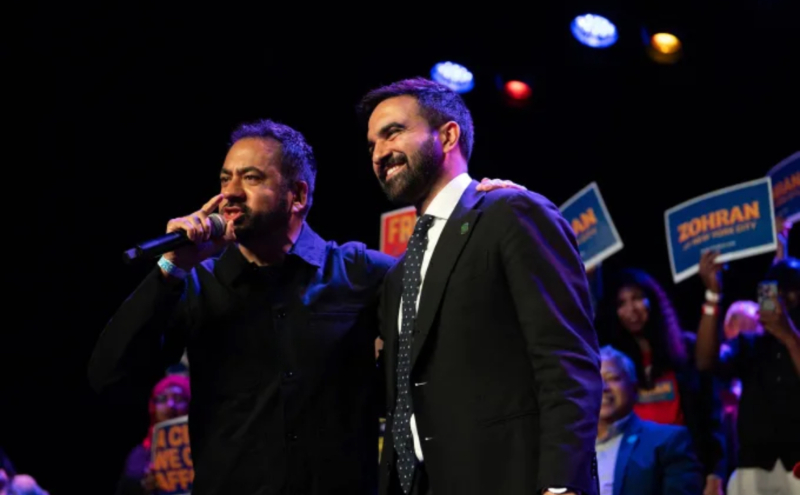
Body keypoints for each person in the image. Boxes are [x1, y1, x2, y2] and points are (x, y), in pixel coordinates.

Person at [88, 118, 520, 495]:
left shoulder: (358, 272)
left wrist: (487, 212)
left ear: (297, 195)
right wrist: (169, 268)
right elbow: (109, 375)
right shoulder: (196, 283)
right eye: (225, 179)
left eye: (251, 178)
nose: (229, 194)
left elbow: (453, 284)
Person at [359, 77, 602, 495]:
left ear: (448, 135)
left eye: (394, 132)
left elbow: (566, 361)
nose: (380, 153)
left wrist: (563, 485)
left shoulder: (512, 212)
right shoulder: (399, 274)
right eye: (371, 145)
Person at [598, 268, 726, 495]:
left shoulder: (685, 350)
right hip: (635, 468)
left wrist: (715, 472)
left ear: (653, 301)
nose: (631, 309)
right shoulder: (614, 363)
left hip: (685, 466)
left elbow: (711, 416)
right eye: (622, 303)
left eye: (637, 298)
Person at [696, 254, 800, 495]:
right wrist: (713, 294)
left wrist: (788, 335)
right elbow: (705, 362)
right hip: (753, 469)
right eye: (776, 294)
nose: (782, 301)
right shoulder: (749, 344)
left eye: (791, 293)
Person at [596, 346, 703, 495]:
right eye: (594, 379)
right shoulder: (567, 447)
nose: (603, 387)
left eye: (613, 378)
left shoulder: (668, 441)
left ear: (634, 387)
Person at [114, 374, 191, 495]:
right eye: (162, 399)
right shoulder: (139, 455)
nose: (170, 404)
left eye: (178, 399)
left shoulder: (207, 446)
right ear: (153, 407)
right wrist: (144, 486)